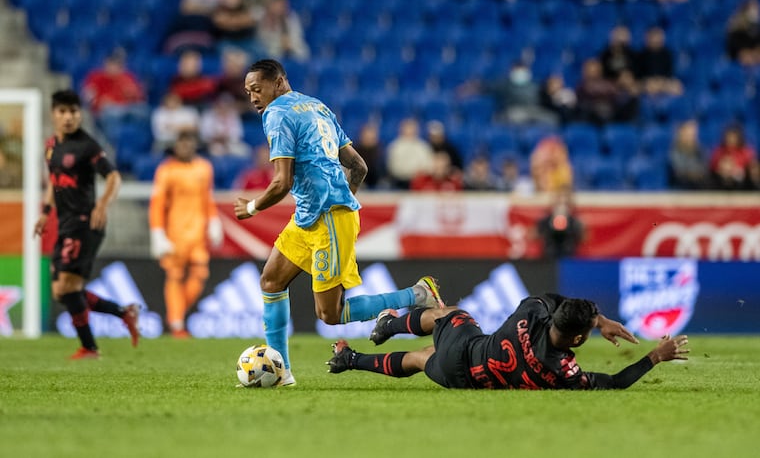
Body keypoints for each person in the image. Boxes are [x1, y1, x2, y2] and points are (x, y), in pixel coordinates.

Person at [233, 59, 446, 386]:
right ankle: (280, 373)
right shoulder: (317, 107)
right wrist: (342, 195)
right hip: (311, 215)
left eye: (257, 89)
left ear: (278, 83)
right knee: (271, 281)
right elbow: (358, 165)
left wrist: (251, 207)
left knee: (330, 314)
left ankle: (416, 295)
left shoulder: (278, 114)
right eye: (248, 92)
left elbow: (281, 182)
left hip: (329, 218)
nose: (253, 98)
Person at [328, 293, 690, 390]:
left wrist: (599, 319)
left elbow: (550, 298)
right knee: (421, 359)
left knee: (449, 314)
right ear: (578, 339)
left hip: (467, 346)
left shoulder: (530, 313)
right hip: (463, 379)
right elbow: (614, 382)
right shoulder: (563, 371)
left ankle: (392, 322)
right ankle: (350, 358)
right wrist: (654, 357)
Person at [33, 90, 139, 359]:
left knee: (67, 287)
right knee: (62, 290)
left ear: (80, 114)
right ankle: (123, 313)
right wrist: (45, 213)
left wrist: (102, 204)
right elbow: (54, 183)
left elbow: (114, 176)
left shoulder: (87, 146)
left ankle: (90, 347)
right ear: (53, 114)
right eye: (63, 112)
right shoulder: (51, 147)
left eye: (73, 112)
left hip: (85, 223)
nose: (68, 117)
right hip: (65, 223)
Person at [149, 129, 223, 338]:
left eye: (189, 143)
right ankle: (177, 324)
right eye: (182, 144)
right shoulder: (166, 171)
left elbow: (207, 198)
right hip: (175, 234)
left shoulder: (204, 168)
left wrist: (214, 221)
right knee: (174, 276)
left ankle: (176, 313)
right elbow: (157, 204)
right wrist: (157, 232)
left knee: (200, 275)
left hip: (198, 234)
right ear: (176, 146)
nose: (185, 147)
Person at [535, 186, 584, 258]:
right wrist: (550, 224)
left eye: (565, 202)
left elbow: (583, 239)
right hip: (549, 258)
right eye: (559, 202)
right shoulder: (545, 221)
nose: (561, 205)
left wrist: (571, 225)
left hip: (569, 258)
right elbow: (535, 236)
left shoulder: (575, 222)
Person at [668, 119, 709, 190]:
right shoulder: (674, 150)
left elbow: (704, 168)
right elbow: (680, 171)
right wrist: (694, 173)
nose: (691, 137)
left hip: (699, 184)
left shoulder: (700, 150)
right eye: (688, 134)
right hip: (682, 186)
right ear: (681, 133)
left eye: (693, 135)